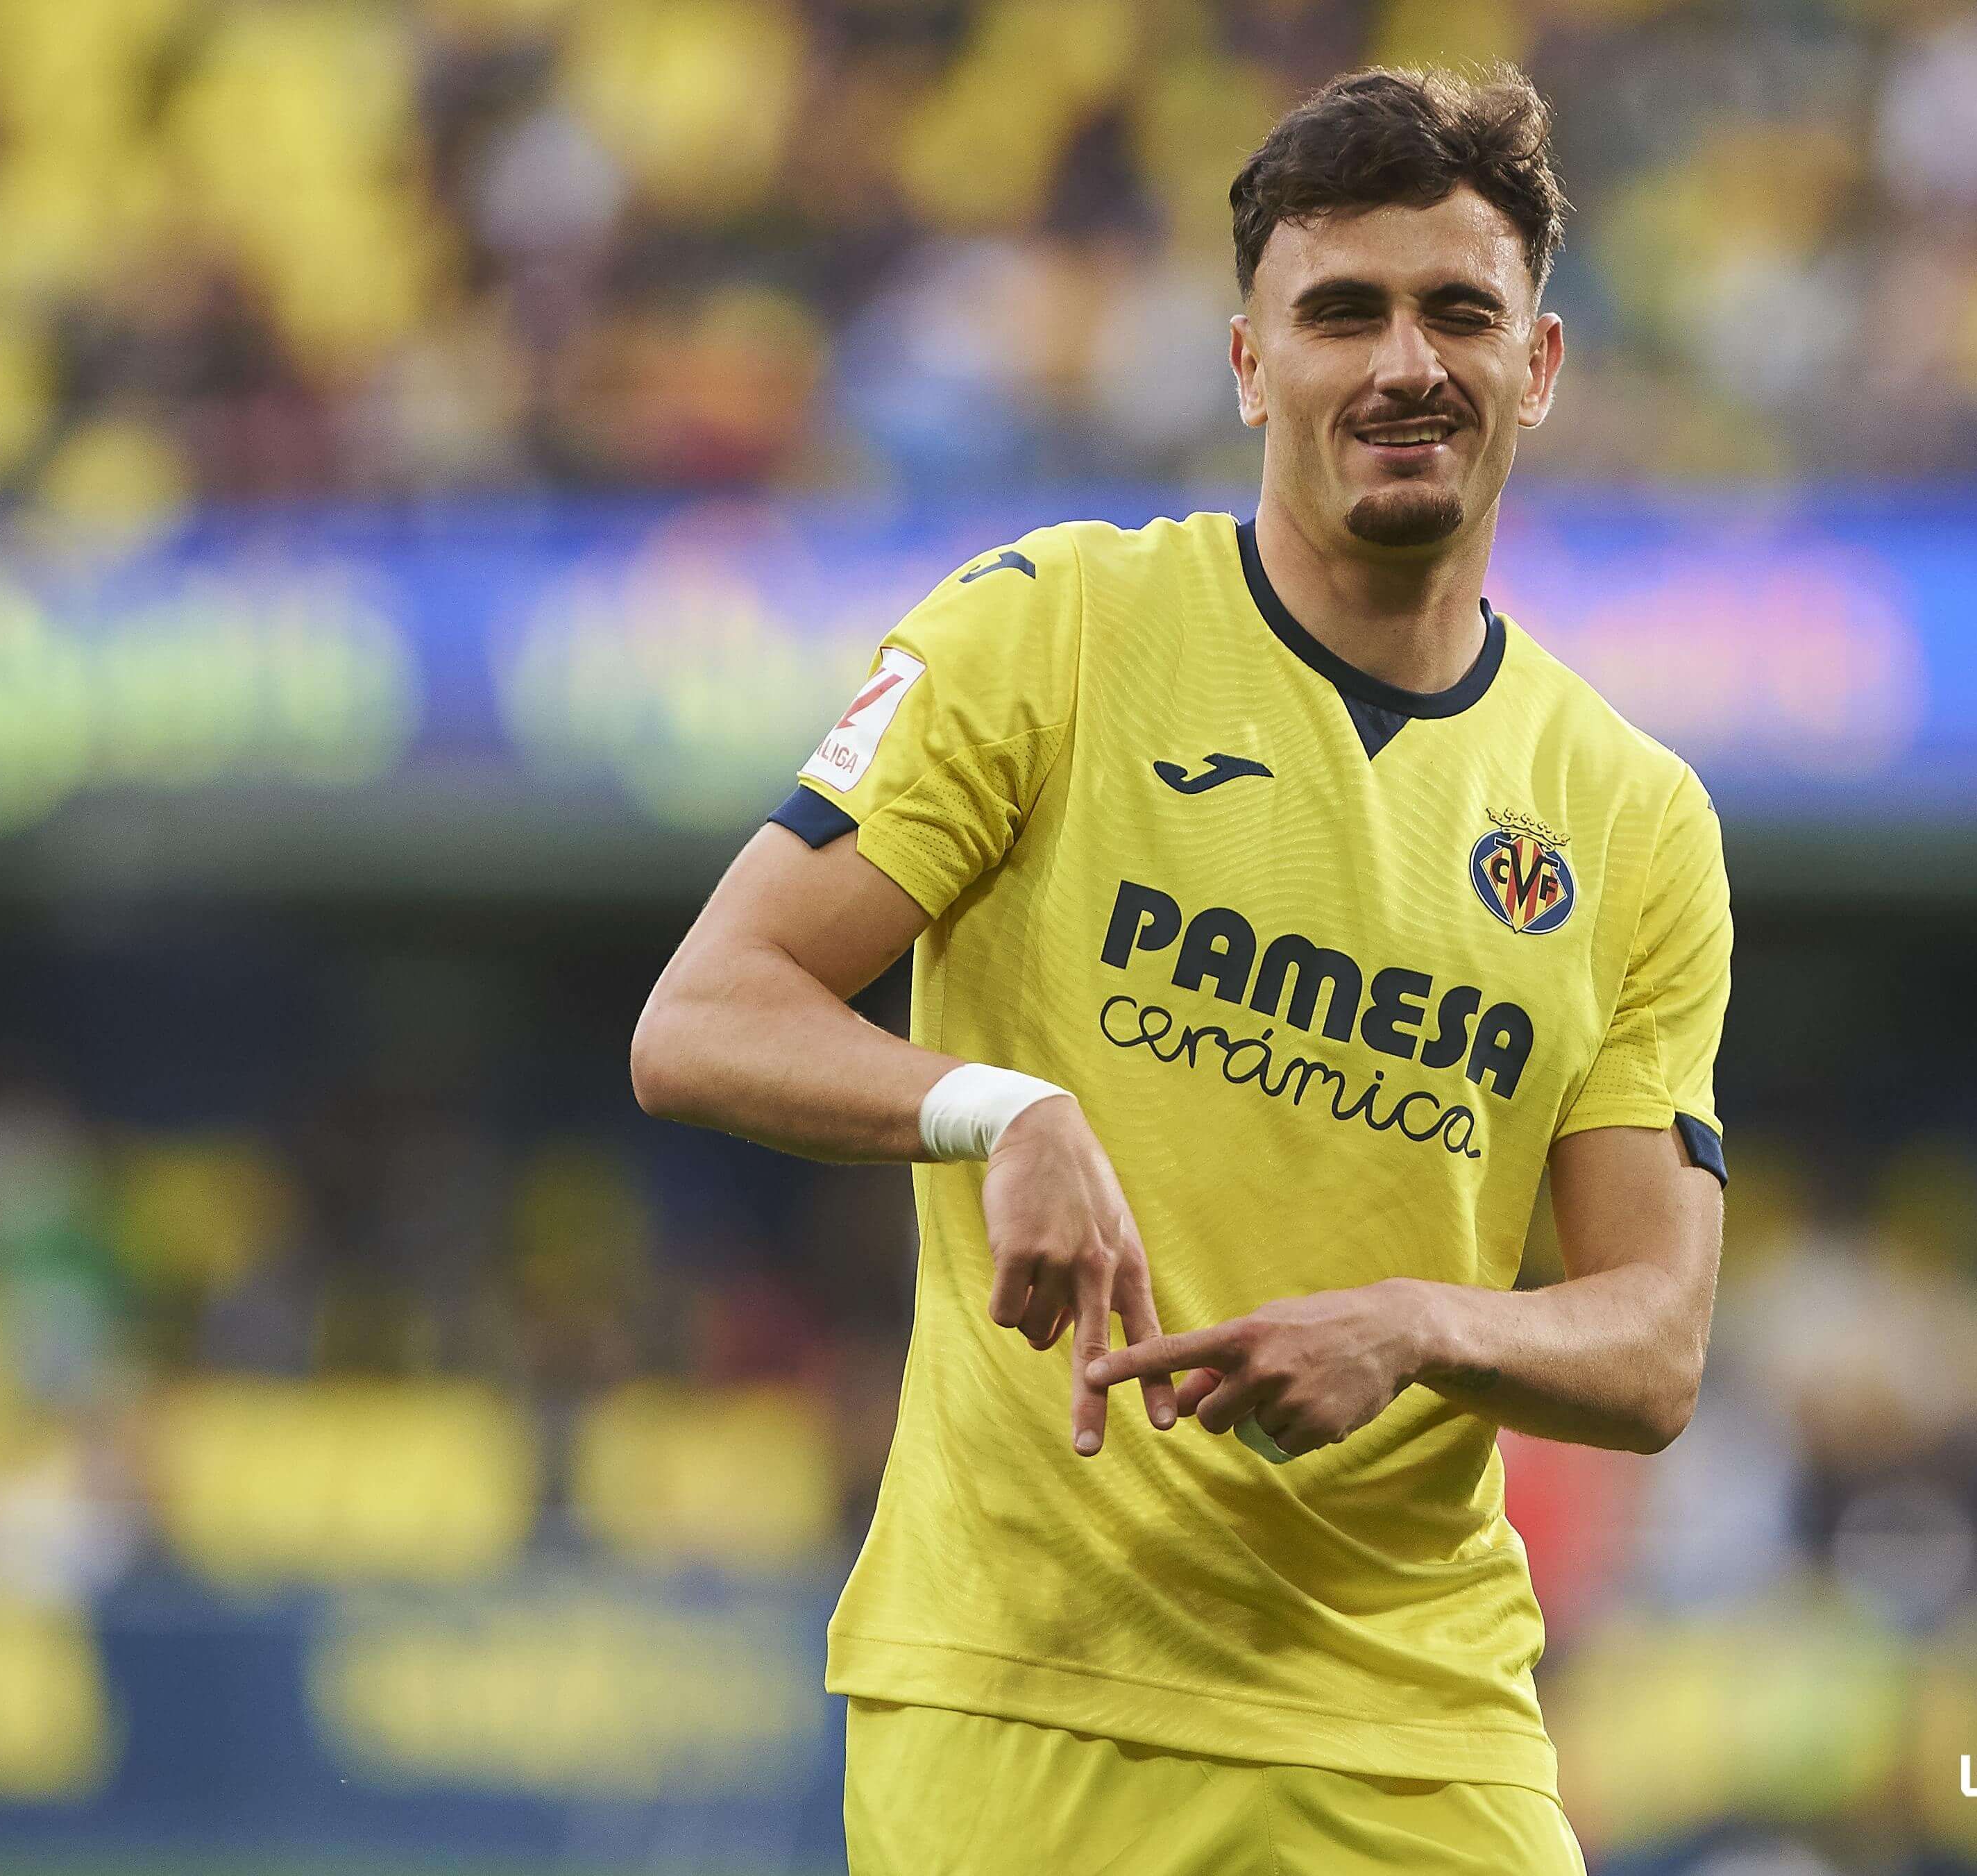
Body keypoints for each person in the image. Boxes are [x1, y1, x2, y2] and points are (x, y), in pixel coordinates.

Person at [634, 63, 1731, 1875]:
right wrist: (999, 1112)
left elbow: (1652, 1342)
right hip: (1025, 1699)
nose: (1404, 364)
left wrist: (1418, 1326)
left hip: (1420, 1732)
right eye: (1342, 312)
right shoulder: (1050, 632)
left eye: (1462, 311)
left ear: (1538, 366)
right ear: (1247, 363)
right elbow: (705, 1017)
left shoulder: (1631, 818)